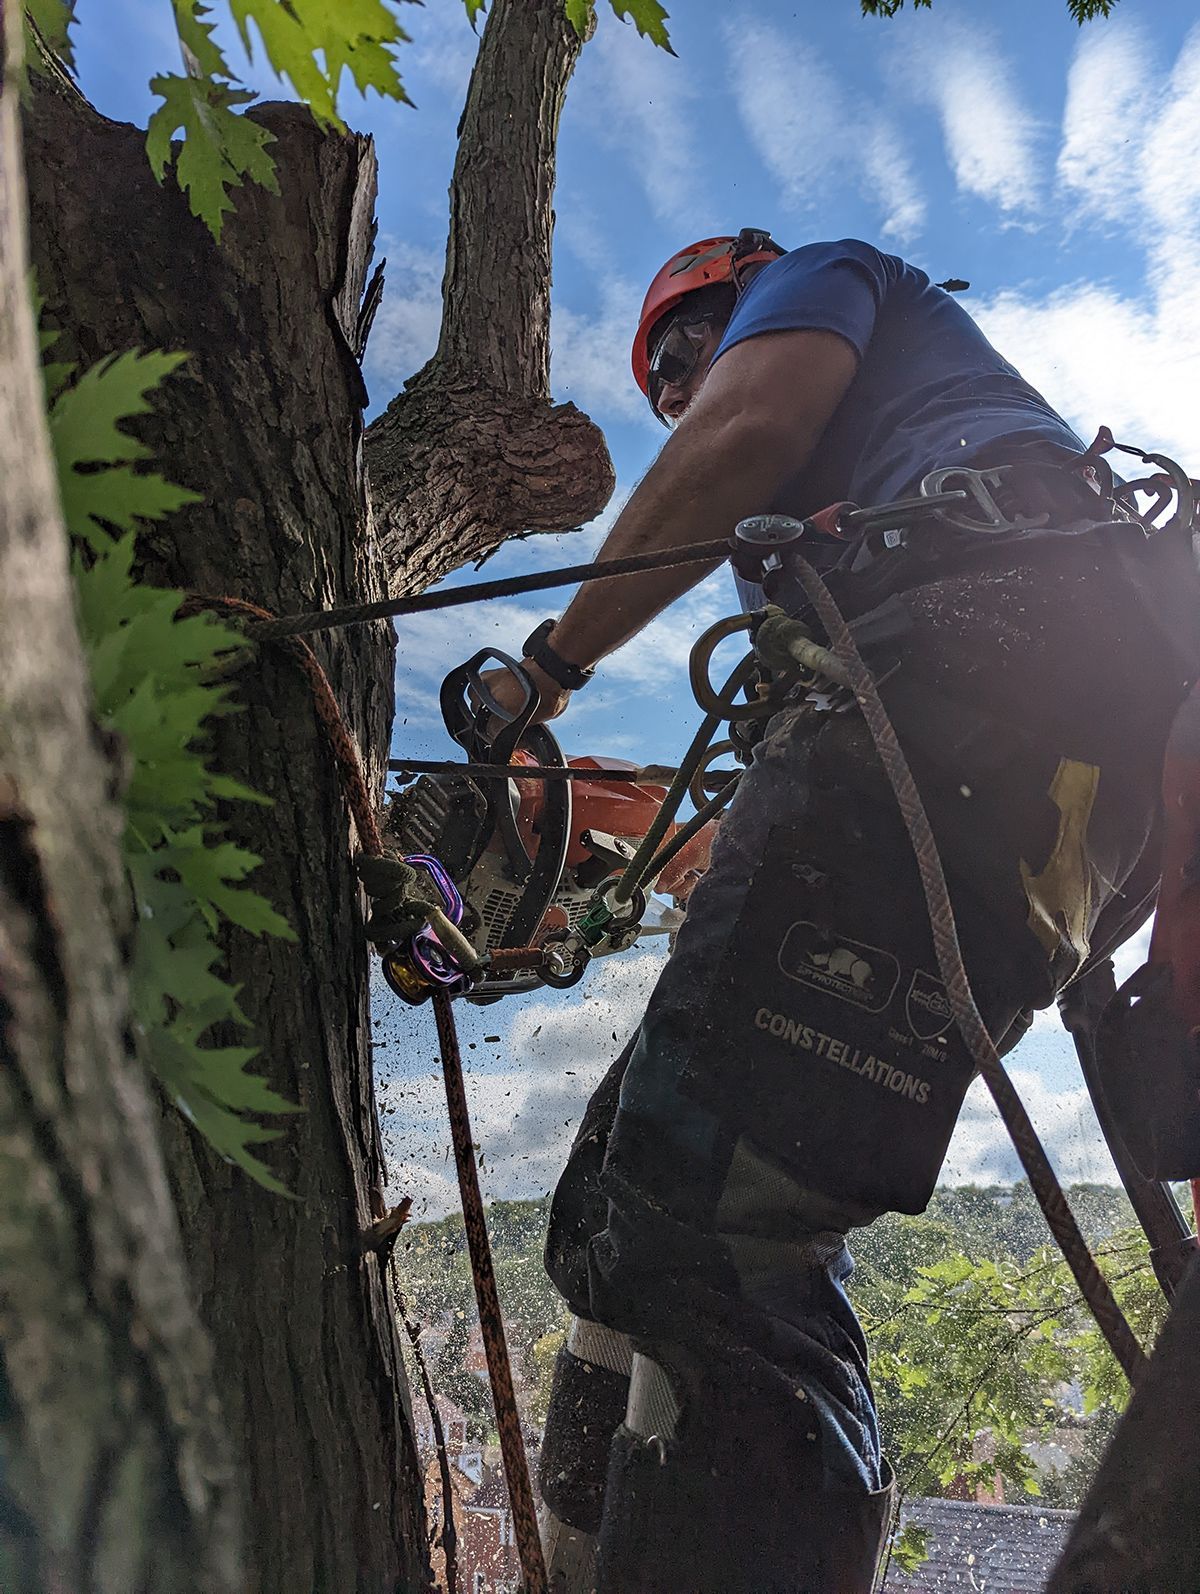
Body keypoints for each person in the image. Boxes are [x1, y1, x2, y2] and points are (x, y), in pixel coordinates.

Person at [488, 233, 1200, 1592]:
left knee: (708, 1223)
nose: (684, 395)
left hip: (990, 657)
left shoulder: (816, 282)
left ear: (734, 295)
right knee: (611, 1204)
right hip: (1044, 753)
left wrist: (546, 671)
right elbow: (791, 834)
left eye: (685, 358)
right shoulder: (842, 559)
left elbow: (752, 422)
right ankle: (573, 1569)